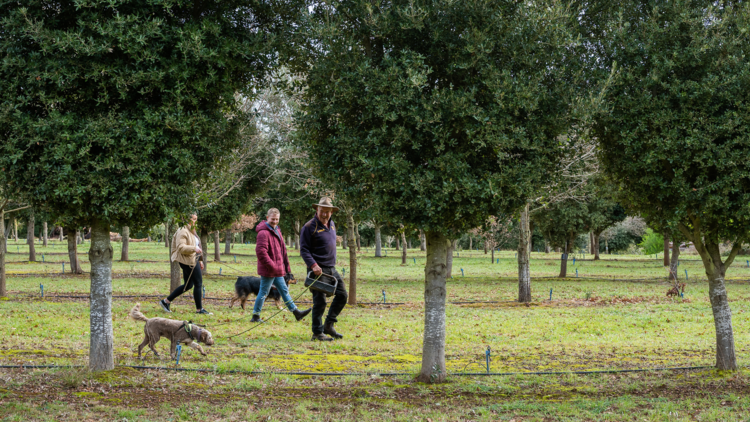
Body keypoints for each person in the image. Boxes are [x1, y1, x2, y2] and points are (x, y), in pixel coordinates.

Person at [251, 208, 311, 323]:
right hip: (269, 270)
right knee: (263, 292)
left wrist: (286, 268)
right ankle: (255, 316)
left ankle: (296, 312)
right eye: (272, 219)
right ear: (267, 217)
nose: (274, 221)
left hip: (278, 269)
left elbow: (283, 250)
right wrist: (273, 266)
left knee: (284, 290)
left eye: (277, 219)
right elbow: (261, 252)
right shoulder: (263, 233)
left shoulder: (277, 230)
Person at [299, 197, 347, 341]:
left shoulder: (331, 224)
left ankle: (329, 325)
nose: (324, 214)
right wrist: (313, 265)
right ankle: (317, 332)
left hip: (331, 269)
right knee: (320, 301)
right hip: (317, 270)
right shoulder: (309, 227)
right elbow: (304, 250)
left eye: (327, 212)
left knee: (342, 295)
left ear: (332, 212)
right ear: (317, 210)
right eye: (322, 211)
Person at [160, 213, 211, 315]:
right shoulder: (182, 230)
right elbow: (181, 247)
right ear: (188, 219)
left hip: (193, 259)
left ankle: (166, 301)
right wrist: (194, 249)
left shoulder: (192, 230)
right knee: (198, 283)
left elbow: (197, 245)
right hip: (187, 261)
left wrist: (200, 260)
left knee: (188, 285)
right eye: (194, 219)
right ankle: (199, 309)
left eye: (196, 219)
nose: (195, 221)